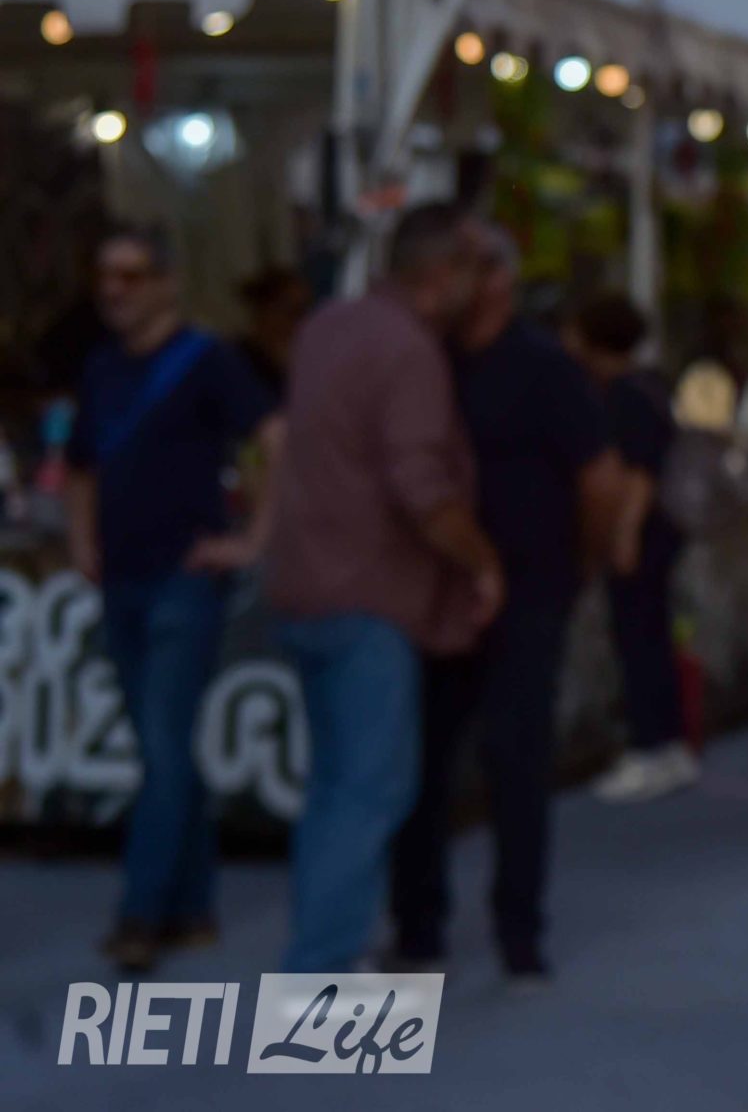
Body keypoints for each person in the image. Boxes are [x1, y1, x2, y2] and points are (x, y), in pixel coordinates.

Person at [266, 202, 501, 975]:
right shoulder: (407, 349)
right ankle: (321, 972)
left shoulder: (328, 326)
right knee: (367, 792)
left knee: (337, 788)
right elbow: (421, 487)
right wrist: (480, 560)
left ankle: (324, 952)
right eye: (471, 269)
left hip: (308, 585)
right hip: (368, 597)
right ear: (440, 275)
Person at [388, 226, 618, 985]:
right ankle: (418, 924)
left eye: (469, 265)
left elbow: (599, 475)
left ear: (498, 281)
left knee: (517, 759)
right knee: (422, 757)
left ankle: (519, 928)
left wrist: (578, 564)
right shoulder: (428, 359)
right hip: (442, 588)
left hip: (526, 589)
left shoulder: (545, 368)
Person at [65, 224, 283, 973]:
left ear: (165, 283)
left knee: (160, 749)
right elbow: (82, 463)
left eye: (130, 274)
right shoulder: (101, 369)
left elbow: (272, 440)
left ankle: (142, 911)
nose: (115, 288)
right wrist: (82, 537)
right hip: (123, 575)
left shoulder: (208, 361)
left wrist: (253, 536)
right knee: (164, 748)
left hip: (182, 579)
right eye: (107, 274)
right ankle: (192, 906)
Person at [568, 292, 699, 803]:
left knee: (639, 637)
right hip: (660, 530)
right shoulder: (650, 385)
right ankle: (663, 743)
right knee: (650, 635)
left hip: (643, 532)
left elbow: (640, 471)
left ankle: (654, 744)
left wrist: (622, 533)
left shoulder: (624, 394)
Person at [234, 265, 312, 401]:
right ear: (264, 311)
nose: (300, 323)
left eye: (304, 312)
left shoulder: (303, 366)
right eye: (292, 312)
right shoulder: (234, 363)